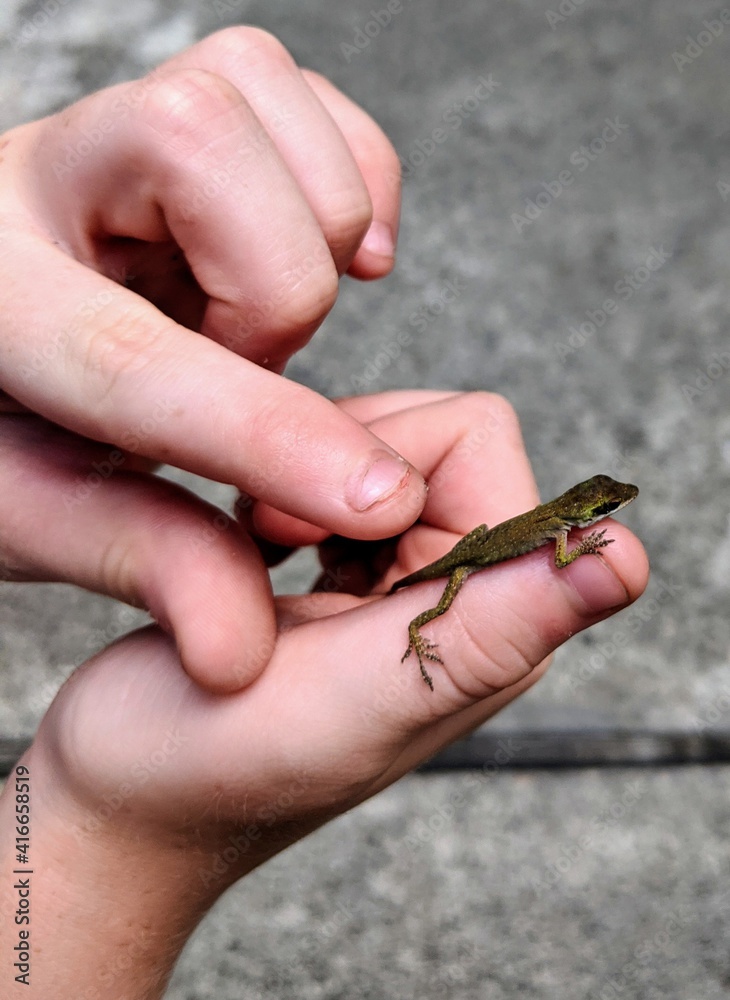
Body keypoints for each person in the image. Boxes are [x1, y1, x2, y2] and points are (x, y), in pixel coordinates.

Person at [0, 27, 648, 998]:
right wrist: (114, 823)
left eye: (598, 511)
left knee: (436, 582)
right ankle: (418, 633)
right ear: (584, 507)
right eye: (600, 507)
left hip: (471, 551)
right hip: (460, 561)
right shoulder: (558, 536)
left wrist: (104, 820)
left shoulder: (557, 526)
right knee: (431, 603)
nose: (604, 515)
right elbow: (550, 562)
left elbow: (544, 549)